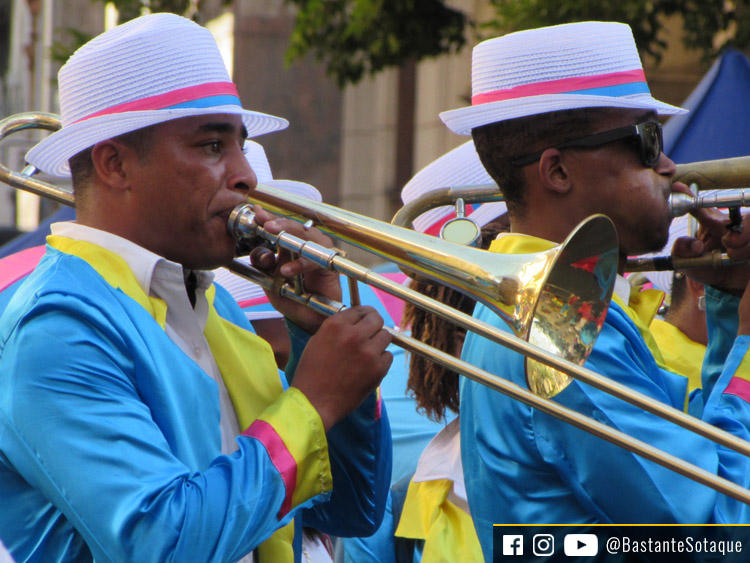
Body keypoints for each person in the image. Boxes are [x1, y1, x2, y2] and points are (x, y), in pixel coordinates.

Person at [0, 13, 393, 563]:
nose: (246, 175)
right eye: (211, 146)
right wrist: (314, 401)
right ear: (114, 164)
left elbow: (343, 513)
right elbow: (166, 543)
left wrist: (317, 329)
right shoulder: (58, 327)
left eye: (239, 145)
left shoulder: (217, 307)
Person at [438, 20, 750, 558]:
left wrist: (725, 309)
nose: (670, 165)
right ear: (557, 171)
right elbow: (719, 529)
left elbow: (700, 450)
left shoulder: (557, 309)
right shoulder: (559, 328)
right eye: (647, 142)